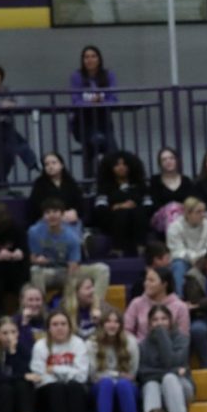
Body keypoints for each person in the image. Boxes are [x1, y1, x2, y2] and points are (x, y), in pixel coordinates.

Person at [28, 197, 110, 301]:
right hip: (47, 271)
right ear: (43, 216)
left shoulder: (72, 235)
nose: (51, 215)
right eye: (47, 212)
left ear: (62, 215)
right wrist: (38, 260)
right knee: (35, 270)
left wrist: (68, 292)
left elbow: (73, 267)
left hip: (68, 270)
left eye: (55, 211)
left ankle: (96, 307)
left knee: (102, 269)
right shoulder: (34, 232)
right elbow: (32, 258)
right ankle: (41, 310)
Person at [30, 311, 90, 412]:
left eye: (63, 324)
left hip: (73, 387)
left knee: (73, 387)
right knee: (57, 388)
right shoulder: (40, 346)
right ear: (49, 328)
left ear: (69, 326)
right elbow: (39, 376)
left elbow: (81, 376)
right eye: (55, 324)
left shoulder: (78, 343)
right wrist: (66, 374)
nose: (59, 327)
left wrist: (55, 369)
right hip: (47, 390)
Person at [138, 304, 194, 412]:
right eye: (155, 320)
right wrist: (173, 371)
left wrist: (162, 335)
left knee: (169, 379)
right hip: (155, 388)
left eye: (163, 319)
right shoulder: (143, 345)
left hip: (181, 386)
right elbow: (143, 373)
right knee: (151, 384)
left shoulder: (182, 339)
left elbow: (172, 362)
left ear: (170, 321)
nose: (160, 323)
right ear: (150, 323)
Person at [88, 309, 140, 412]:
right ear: (102, 324)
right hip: (100, 386)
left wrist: (110, 375)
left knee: (123, 384)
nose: (112, 325)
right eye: (108, 321)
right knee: (106, 383)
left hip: (126, 385)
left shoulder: (131, 342)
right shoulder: (91, 343)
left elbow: (132, 373)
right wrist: (116, 374)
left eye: (116, 322)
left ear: (121, 325)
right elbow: (92, 375)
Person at [69, 45, 118, 177]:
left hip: (104, 120)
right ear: (82, 60)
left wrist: (100, 101)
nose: (89, 60)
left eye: (93, 56)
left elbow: (113, 99)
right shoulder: (77, 76)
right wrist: (91, 102)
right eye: (86, 57)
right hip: (83, 121)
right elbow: (75, 100)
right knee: (92, 144)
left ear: (99, 59)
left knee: (113, 151)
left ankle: (109, 181)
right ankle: (88, 184)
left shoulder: (108, 75)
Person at [93, 151, 151, 256]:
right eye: (117, 164)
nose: (121, 167)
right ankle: (117, 249)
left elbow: (149, 205)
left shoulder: (139, 185)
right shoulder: (105, 187)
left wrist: (134, 207)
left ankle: (141, 249)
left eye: (124, 164)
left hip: (138, 220)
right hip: (113, 221)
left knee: (138, 212)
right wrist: (118, 206)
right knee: (122, 213)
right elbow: (100, 208)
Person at [166, 198, 207, 294]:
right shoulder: (174, 227)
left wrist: (200, 258)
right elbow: (176, 251)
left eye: (204, 211)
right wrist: (194, 258)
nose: (202, 215)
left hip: (206, 261)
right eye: (198, 212)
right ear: (187, 213)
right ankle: (181, 300)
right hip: (185, 262)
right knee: (178, 264)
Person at [28, 152, 85, 238]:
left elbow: (79, 203)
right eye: (47, 164)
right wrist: (54, 215)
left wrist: (74, 212)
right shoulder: (39, 184)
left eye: (54, 163)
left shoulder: (70, 182)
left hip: (68, 218)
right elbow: (35, 206)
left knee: (73, 227)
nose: (50, 166)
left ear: (61, 165)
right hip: (48, 219)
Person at [124, 267, 190, 341]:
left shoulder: (180, 307)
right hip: (141, 348)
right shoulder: (136, 303)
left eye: (151, 281)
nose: (146, 283)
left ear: (164, 284)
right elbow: (126, 330)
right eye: (146, 280)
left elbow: (183, 337)